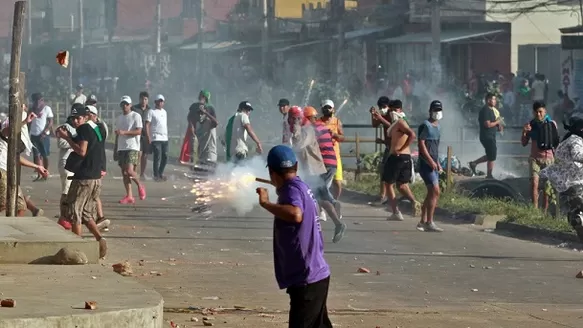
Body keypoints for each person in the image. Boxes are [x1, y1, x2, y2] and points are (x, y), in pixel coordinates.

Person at [256, 145, 333, 328]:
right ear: (296, 167)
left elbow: (295, 214)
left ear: (272, 173)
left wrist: (266, 204)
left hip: (307, 277)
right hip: (315, 275)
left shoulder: (291, 190)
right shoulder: (300, 187)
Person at [56, 105, 107, 259]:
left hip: (84, 177)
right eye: (74, 118)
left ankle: (78, 247)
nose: (76, 121)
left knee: (74, 212)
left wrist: (66, 138)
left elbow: (82, 150)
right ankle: (100, 238)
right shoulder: (98, 128)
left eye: (79, 118)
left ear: (86, 116)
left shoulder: (84, 129)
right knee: (85, 213)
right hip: (95, 177)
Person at [288, 106, 345, 243]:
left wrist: (295, 127)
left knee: (313, 199)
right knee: (318, 198)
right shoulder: (306, 129)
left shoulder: (308, 130)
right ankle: (335, 220)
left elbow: (299, 144)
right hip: (309, 170)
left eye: (293, 119)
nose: (290, 121)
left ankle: (332, 224)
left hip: (313, 170)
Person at [371, 100, 421, 221]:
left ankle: (396, 212)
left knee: (388, 184)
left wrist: (401, 149)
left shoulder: (400, 122)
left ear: (400, 110)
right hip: (404, 157)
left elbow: (412, 135)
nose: (392, 112)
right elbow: (394, 141)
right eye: (391, 110)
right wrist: (382, 141)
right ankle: (414, 202)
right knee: (402, 185)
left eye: (394, 110)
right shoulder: (395, 124)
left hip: (397, 157)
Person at [541, 112, 583, 241]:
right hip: (574, 182)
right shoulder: (575, 140)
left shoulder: (566, 140)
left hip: (564, 183)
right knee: (577, 209)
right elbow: (577, 155)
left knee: (575, 212)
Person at [0, 110, 49, 216]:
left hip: (8, 171)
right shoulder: (4, 132)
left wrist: (37, 166)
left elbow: (16, 158)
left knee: (21, 206)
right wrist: (25, 121)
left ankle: (14, 228)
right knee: (4, 203)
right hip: (2, 169)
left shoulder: (17, 137)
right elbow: (9, 130)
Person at [304, 106, 343, 223]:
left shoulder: (312, 129)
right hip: (331, 162)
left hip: (325, 163)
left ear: (309, 118)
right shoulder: (322, 127)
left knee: (319, 188)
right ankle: (324, 211)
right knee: (320, 188)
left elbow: (304, 146)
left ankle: (332, 205)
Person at [521, 101, 558, 212]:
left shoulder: (552, 124)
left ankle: (544, 212)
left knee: (547, 188)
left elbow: (556, 142)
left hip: (548, 159)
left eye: (540, 112)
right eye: (536, 112)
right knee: (534, 184)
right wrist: (524, 132)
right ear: (533, 112)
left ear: (545, 111)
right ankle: (535, 210)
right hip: (535, 159)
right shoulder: (530, 125)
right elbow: (524, 143)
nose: (538, 114)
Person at [417, 100, 445, 232]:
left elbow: (436, 147)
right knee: (435, 190)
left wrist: (438, 162)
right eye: (435, 110)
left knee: (431, 193)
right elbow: (421, 145)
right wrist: (430, 161)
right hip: (425, 164)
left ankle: (423, 220)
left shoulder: (438, 127)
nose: (437, 113)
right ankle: (429, 221)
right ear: (430, 111)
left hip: (434, 164)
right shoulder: (425, 126)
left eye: (439, 110)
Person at [115, 95, 147, 204]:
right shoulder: (119, 118)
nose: (125, 106)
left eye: (127, 104)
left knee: (129, 170)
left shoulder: (135, 116)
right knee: (124, 173)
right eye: (123, 104)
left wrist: (124, 132)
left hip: (132, 146)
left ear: (130, 105)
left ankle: (140, 185)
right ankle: (129, 195)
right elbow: (117, 134)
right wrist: (116, 148)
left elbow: (139, 131)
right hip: (121, 147)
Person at [86, 104, 110, 231]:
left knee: (93, 193)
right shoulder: (94, 127)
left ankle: (100, 218)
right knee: (93, 193)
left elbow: (96, 145)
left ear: (94, 115)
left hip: (97, 164)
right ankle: (99, 218)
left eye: (88, 114)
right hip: (95, 163)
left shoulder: (98, 127)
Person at [469, 93, 503, 178]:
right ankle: (489, 175)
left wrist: (499, 125)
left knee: (491, 155)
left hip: (491, 136)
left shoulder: (493, 110)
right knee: (492, 155)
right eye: (493, 99)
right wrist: (497, 122)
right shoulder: (485, 110)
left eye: (495, 99)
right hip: (486, 136)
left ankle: (474, 163)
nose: (495, 101)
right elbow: (487, 124)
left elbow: (496, 124)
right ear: (488, 100)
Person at [318, 99, 345, 200]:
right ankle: (325, 204)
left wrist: (334, 134)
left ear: (333, 109)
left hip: (335, 156)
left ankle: (334, 201)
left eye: (329, 108)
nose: (327, 110)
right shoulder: (318, 122)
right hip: (322, 156)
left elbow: (342, 138)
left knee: (337, 182)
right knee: (323, 183)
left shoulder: (337, 122)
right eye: (325, 108)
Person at [186, 90, 218, 168]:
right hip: (200, 153)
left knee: (208, 174)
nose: (199, 115)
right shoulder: (198, 124)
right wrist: (191, 127)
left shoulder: (209, 121)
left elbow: (216, 122)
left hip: (209, 153)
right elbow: (189, 117)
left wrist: (205, 112)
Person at [371, 96, 391, 205]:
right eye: (380, 107)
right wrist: (373, 115)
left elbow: (393, 126)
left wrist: (381, 118)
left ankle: (386, 197)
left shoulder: (392, 115)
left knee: (387, 172)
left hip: (395, 148)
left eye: (383, 107)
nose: (382, 109)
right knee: (384, 171)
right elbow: (374, 124)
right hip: (389, 147)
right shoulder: (382, 115)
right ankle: (383, 196)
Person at [29, 93, 53, 181]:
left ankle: (46, 172)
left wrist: (44, 132)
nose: (37, 103)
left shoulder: (47, 109)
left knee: (45, 155)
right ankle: (39, 173)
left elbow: (50, 122)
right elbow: (29, 122)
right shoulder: (31, 109)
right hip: (33, 135)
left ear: (42, 100)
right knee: (36, 155)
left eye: (39, 100)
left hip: (43, 136)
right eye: (35, 101)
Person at [146, 94, 169, 181]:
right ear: (155, 102)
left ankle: (160, 173)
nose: (160, 103)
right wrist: (148, 136)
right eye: (159, 101)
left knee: (165, 156)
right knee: (157, 156)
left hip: (164, 138)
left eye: (162, 101)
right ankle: (156, 175)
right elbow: (147, 124)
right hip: (156, 137)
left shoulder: (164, 112)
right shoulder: (151, 111)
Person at [132, 91, 150, 179]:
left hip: (146, 134)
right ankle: (134, 171)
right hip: (136, 133)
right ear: (139, 99)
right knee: (138, 153)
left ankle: (142, 173)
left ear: (148, 100)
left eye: (145, 99)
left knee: (145, 155)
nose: (143, 101)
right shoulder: (134, 109)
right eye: (142, 99)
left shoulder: (150, 110)